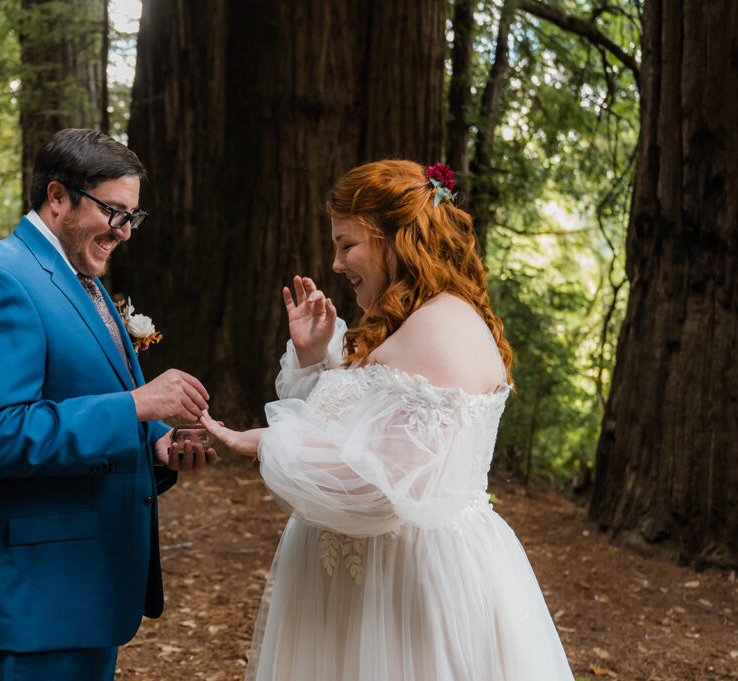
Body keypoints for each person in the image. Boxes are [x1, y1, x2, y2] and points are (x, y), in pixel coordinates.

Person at [201, 160, 575, 681]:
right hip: (367, 576)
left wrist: (267, 443)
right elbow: (364, 427)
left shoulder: (441, 327)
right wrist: (316, 360)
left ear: (395, 240)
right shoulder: (413, 320)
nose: (335, 263)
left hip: (405, 585)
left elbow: (385, 488)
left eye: (346, 244)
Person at [0, 128, 217, 681]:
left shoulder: (80, 276)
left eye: (133, 216)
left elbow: (76, 401)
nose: (124, 231)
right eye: (113, 211)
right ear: (57, 197)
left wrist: (155, 450)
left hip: (81, 591)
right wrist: (135, 405)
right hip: (27, 597)